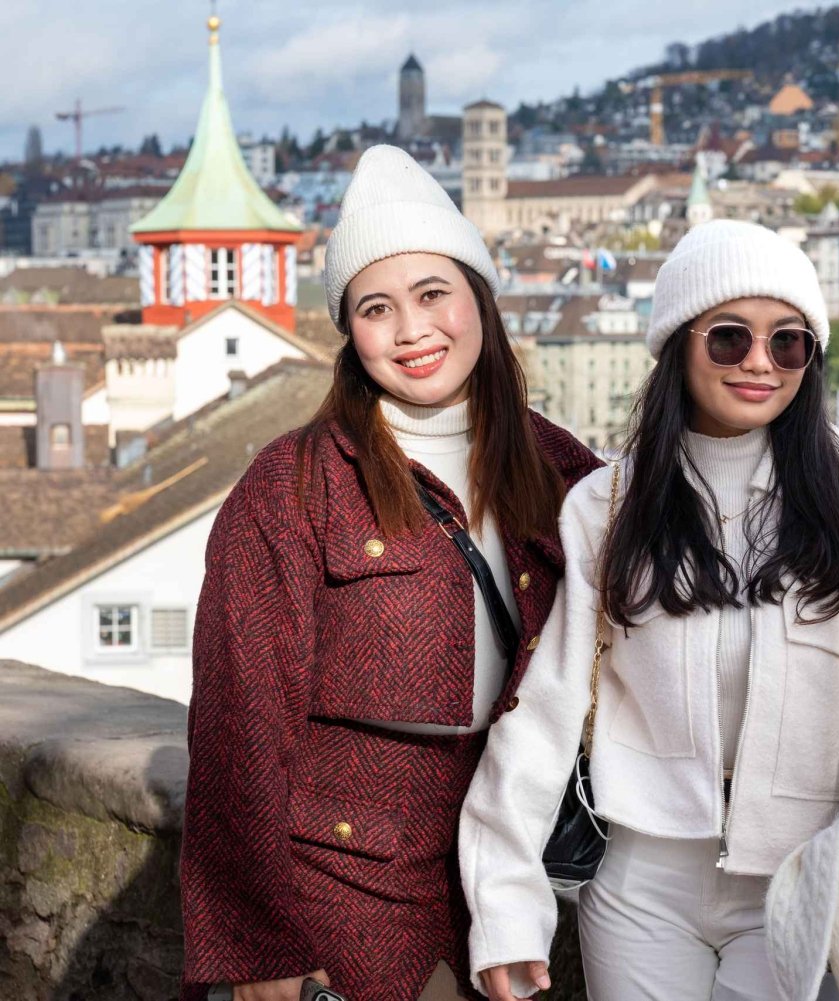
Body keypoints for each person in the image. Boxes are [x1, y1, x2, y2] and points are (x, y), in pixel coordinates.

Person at [179, 146, 600, 1001]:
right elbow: (239, 726)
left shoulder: (564, 471)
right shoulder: (295, 483)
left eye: (433, 294)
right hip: (337, 885)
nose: (412, 330)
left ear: (480, 298)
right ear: (349, 330)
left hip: (509, 875)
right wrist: (258, 947)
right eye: (377, 307)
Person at [458, 219, 839, 1001]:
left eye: (788, 342)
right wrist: (505, 906)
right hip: (642, 881)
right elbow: (544, 706)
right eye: (730, 338)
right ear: (677, 345)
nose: (761, 361)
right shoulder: (608, 505)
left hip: (802, 878)